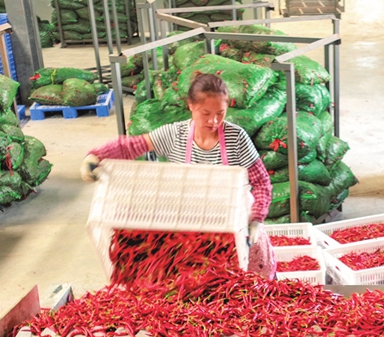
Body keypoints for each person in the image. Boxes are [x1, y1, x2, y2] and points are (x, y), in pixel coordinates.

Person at [81, 72, 274, 276]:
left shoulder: (236, 138)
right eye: (206, 113)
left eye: (220, 113)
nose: (214, 121)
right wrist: (96, 156)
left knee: (248, 288)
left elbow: (261, 181)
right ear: (191, 105)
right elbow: (132, 146)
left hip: (236, 231)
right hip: (189, 230)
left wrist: (256, 219)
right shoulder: (175, 135)